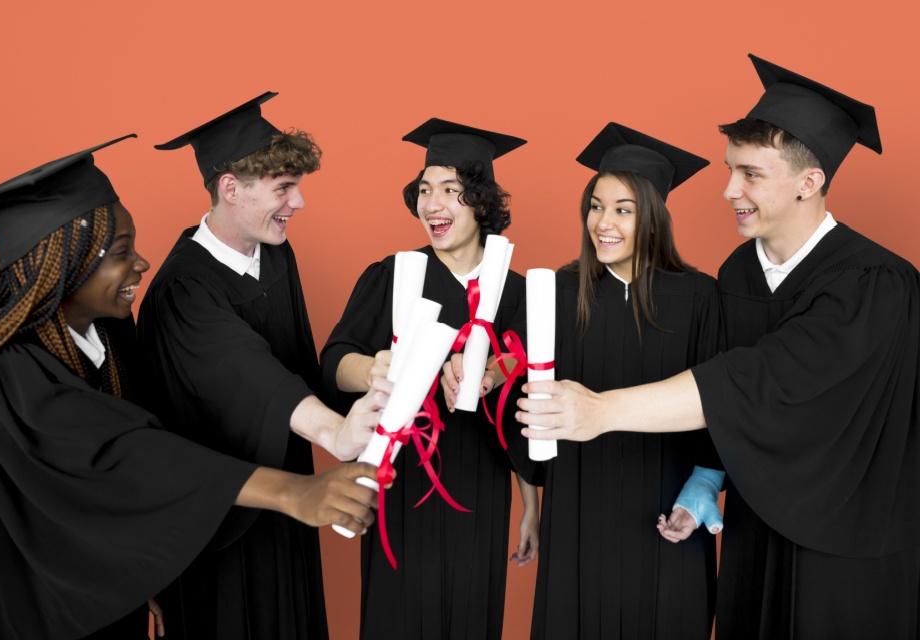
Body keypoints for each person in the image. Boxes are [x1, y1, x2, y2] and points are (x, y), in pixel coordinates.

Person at [518, 54, 920, 638]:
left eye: (751, 174)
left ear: (810, 182)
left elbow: (761, 378)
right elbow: (725, 393)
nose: (729, 188)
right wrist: (707, 479)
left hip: (849, 541)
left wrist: (601, 410)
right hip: (758, 531)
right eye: (731, 169)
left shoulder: (876, 283)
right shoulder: (737, 276)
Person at [0, 136, 383, 640]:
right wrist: (293, 489)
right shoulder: (3, 373)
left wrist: (143, 576)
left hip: (108, 584)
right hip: (36, 606)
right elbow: (130, 453)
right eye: (121, 253)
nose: (141, 264)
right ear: (65, 266)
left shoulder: (110, 335)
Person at [137, 93, 384, 639]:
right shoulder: (183, 288)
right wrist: (334, 434)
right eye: (282, 189)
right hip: (218, 520)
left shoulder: (274, 252)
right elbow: (247, 369)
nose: (298, 203)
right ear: (231, 188)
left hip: (289, 505)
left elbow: (297, 360)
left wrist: (370, 383)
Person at [319, 118, 539, 639]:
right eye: (424, 190)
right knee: (398, 614)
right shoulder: (392, 276)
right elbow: (333, 362)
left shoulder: (518, 293)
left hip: (481, 484)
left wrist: (531, 507)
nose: (432, 204)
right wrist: (385, 366)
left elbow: (529, 407)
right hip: (400, 479)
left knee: (471, 614)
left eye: (450, 191)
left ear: (482, 202)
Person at [528, 123, 722, 639]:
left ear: (653, 221)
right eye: (596, 205)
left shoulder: (701, 297)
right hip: (577, 507)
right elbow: (519, 393)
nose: (603, 222)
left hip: (666, 502)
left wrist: (705, 483)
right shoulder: (559, 292)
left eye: (623, 209)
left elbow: (722, 403)